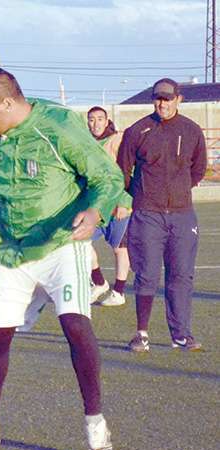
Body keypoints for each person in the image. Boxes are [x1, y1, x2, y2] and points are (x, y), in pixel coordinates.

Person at [0, 67, 123, 450]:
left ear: (9, 103)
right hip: (13, 251)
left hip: (63, 245)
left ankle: (95, 422)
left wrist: (96, 211)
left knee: (75, 327)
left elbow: (107, 176)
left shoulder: (59, 127)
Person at [117, 78, 207, 353]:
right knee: (146, 275)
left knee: (181, 274)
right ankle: (141, 333)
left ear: (178, 99)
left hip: (182, 215)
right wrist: (143, 195)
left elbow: (198, 170)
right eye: (158, 98)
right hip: (147, 215)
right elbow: (123, 170)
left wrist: (178, 191)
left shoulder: (192, 131)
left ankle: (181, 334)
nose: (162, 103)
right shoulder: (138, 130)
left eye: (168, 98)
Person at [86, 106, 132, 306]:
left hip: (117, 206)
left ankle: (119, 292)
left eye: (99, 119)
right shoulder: (85, 143)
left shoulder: (116, 141)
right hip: (96, 206)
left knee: (119, 248)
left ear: (107, 121)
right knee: (80, 243)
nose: (95, 123)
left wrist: (125, 201)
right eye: (91, 119)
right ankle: (99, 282)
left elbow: (128, 171)